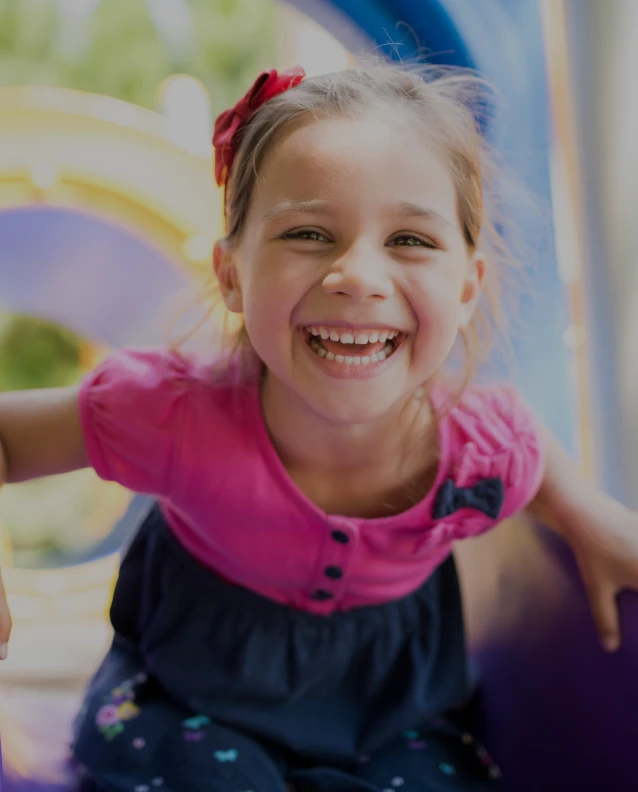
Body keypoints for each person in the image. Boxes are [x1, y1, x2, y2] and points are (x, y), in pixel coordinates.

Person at [1, 61, 637, 792]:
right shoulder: (173, 414)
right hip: (185, 702)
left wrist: (593, 518)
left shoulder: (476, 451)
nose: (358, 275)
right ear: (233, 275)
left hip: (394, 721)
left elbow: (526, 441)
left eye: (410, 240)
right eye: (308, 232)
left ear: (466, 288)